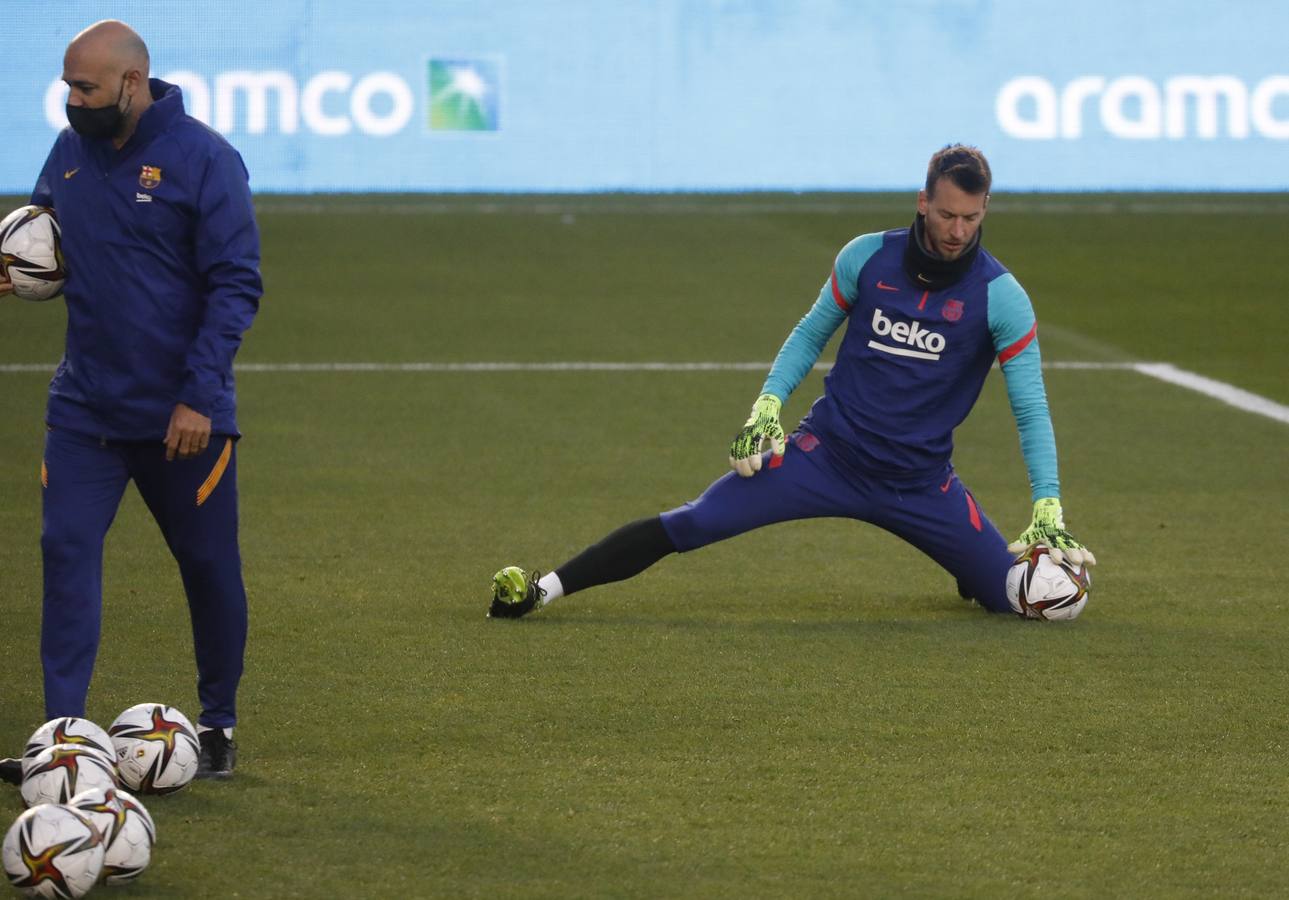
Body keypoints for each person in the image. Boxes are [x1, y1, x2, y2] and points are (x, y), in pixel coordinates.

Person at [487, 144, 1095, 621]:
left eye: (970, 216)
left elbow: (1031, 407)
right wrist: (768, 407)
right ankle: (543, 589)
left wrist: (1048, 501)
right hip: (824, 457)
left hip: (920, 483)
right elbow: (809, 336)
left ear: (985, 209)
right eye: (945, 214)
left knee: (1015, 601)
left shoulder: (1001, 298)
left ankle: (970, 569)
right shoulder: (866, 258)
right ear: (921, 201)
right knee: (693, 522)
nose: (957, 230)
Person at [0, 20, 261, 784]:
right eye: (65, 85)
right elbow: (43, 234)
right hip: (85, 408)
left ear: (131, 84)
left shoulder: (205, 160)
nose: (70, 99)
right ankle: (63, 738)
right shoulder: (70, 151)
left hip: (184, 417)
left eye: (83, 87)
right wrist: (17, 272)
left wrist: (198, 397)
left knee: (208, 566)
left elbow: (236, 283)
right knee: (65, 553)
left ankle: (217, 723)